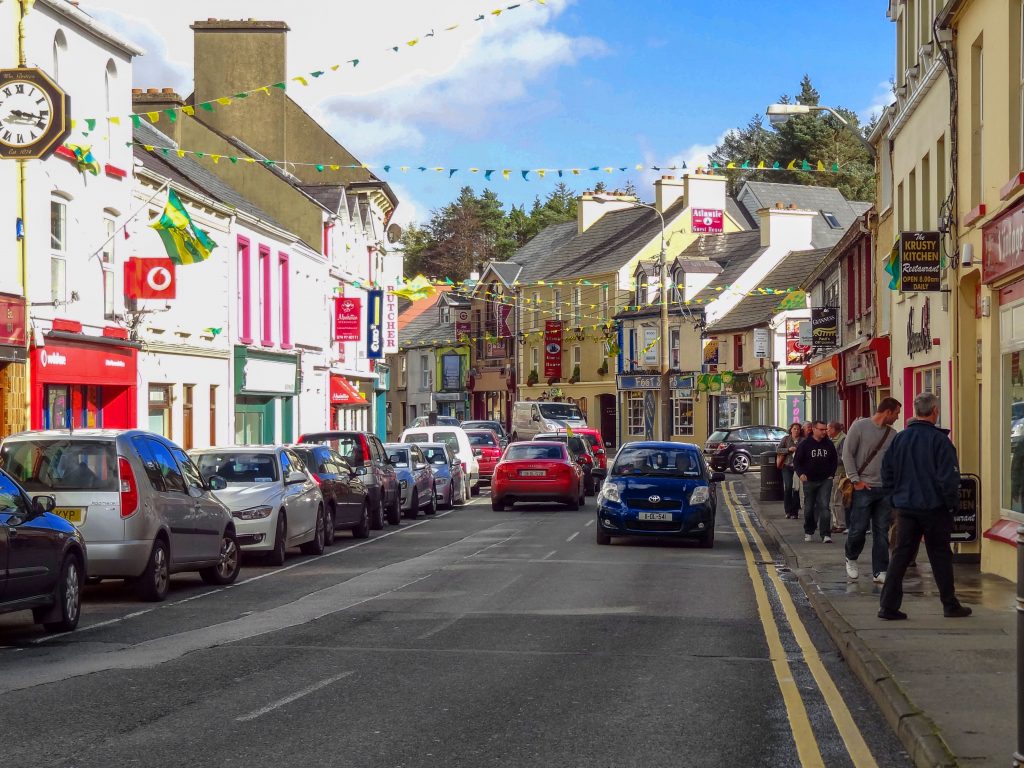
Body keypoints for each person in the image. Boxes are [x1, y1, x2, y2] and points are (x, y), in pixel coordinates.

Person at [878, 392, 972, 620]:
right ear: (934, 411)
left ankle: (888, 607)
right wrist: (951, 505)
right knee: (940, 555)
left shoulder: (900, 439)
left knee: (901, 555)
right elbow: (949, 479)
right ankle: (950, 605)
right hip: (934, 507)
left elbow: (886, 470)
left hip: (906, 507)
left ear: (916, 411)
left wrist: (894, 498)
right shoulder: (940, 441)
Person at [842, 397, 901, 583]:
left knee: (881, 532)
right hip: (863, 488)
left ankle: (880, 570)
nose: (898, 417)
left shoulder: (893, 434)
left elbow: (895, 462)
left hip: (884, 489)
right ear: (888, 412)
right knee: (858, 529)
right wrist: (855, 480)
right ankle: (851, 557)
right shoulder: (859, 427)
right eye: (897, 413)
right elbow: (847, 454)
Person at [794, 420, 839, 543]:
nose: (824, 432)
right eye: (821, 429)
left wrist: (831, 474)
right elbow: (797, 461)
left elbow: (834, 460)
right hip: (809, 480)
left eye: (825, 429)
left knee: (824, 506)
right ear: (814, 429)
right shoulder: (805, 444)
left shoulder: (829, 444)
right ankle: (809, 530)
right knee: (809, 508)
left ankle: (826, 534)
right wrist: (801, 474)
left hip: (825, 480)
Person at [776, 423, 804, 519]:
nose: (796, 431)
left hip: (798, 468)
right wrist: (788, 449)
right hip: (787, 467)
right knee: (788, 488)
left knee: (796, 489)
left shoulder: (803, 440)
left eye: (798, 429)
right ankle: (788, 510)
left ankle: (794, 512)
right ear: (791, 430)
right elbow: (778, 450)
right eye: (794, 429)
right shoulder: (786, 439)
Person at [827, 421, 847, 533]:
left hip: (840, 473)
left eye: (828, 429)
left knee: (837, 499)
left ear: (834, 430)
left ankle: (841, 524)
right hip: (833, 473)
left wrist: (829, 458)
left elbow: (843, 457)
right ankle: (836, 523)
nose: (827, 431)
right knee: (833, 500)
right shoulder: (831, 440)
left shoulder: (843, 439)